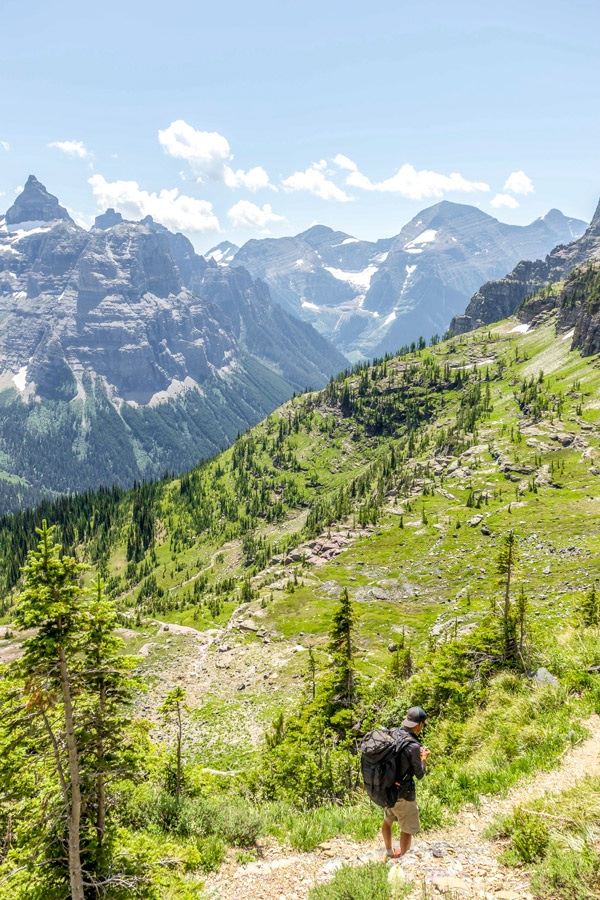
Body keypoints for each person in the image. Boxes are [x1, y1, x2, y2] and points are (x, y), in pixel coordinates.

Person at [382, 706, 430, 859]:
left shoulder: (394, 733)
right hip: (404, 793)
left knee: (388, 820)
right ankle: (402, 859)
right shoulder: (413, 746)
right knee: (407, 828)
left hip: (386, 790)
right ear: (420, 724)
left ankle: (390, 852)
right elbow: (420, 774)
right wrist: (423, 759)